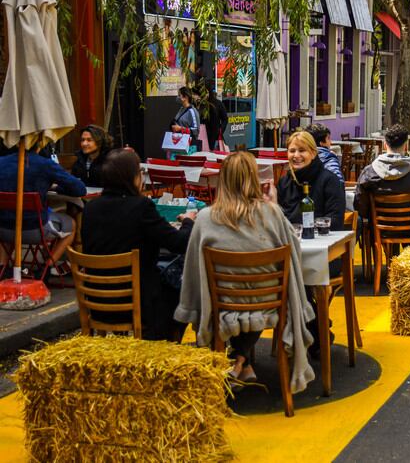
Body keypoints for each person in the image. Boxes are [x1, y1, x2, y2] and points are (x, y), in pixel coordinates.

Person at [175, 152, 315, 391]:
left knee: (239, 295)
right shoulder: (271, 214)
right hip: (267, 303)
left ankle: (238, 361)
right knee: (253, 296)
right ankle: (242, 362)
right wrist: (273, 203)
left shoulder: (205, 218)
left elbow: (192, 268)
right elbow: (295, 247)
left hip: (222, 305)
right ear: (253, 178)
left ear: (223, 180)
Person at [81, 149, 195, 341]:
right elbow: (178, 243)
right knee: (183, 283)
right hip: (138, 303)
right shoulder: (141, 207)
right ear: (132, 177)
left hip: (96, 301)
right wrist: (188, 222)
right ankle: (167, 341)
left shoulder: (90, 208)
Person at [275, 131, 345, 357]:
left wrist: (305, 227)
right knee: (284, 275)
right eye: (292, 150)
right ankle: (317, 329)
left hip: (326, 255)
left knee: (292, 277)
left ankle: (310, 332)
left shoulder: (329, 180)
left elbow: (336, 220)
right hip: (293, 254)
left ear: (314, 153)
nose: (296, 155)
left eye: (302, 150)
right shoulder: (285, 182)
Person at [0, 144, 86, 278]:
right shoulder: (45, 164)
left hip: (3, 231)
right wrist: (56, 187)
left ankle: (3, 267)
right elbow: (79, 189)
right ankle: (47, 267)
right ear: (39, 144)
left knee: (10, 214)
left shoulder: (1, 162)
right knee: (72, 224)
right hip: (35, 230)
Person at [354, 124, 410, 243]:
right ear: (405, 146)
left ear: (385, 144)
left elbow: (360, 207)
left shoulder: (369, 172)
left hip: (381, 230)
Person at [201, 79, 228, 150]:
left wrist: (220, 130)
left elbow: (225, 119)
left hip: (214, 136)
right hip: (201, 136)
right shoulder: (200, 104)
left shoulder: (218, 104)